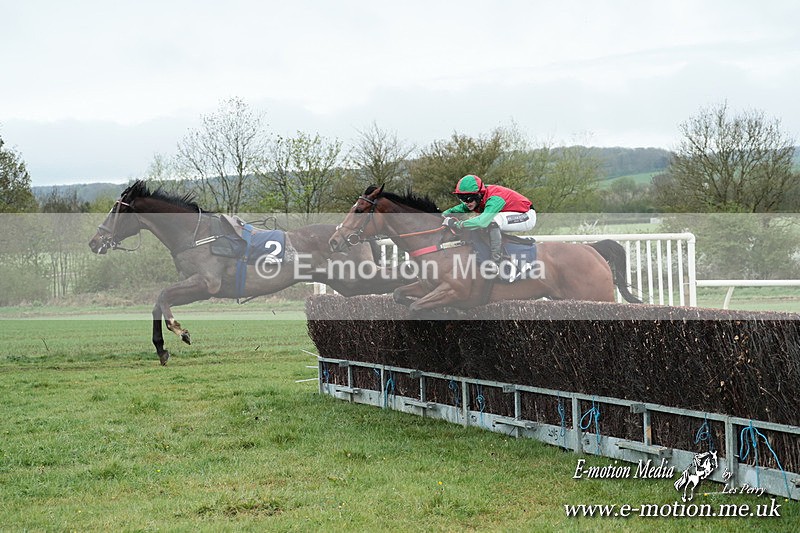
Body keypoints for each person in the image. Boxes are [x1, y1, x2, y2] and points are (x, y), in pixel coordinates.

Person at [441, 174, 536, 278]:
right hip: (512, 213)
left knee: (492, 221)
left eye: (468, 198)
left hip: (526, 216)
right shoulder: (478, 198)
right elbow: (456, 209)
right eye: (461, 198)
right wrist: (441, 215)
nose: (466, 202)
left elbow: (482, 222)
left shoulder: (494, 199)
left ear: (478, 195)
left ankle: (496, 263)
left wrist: (457, 224)